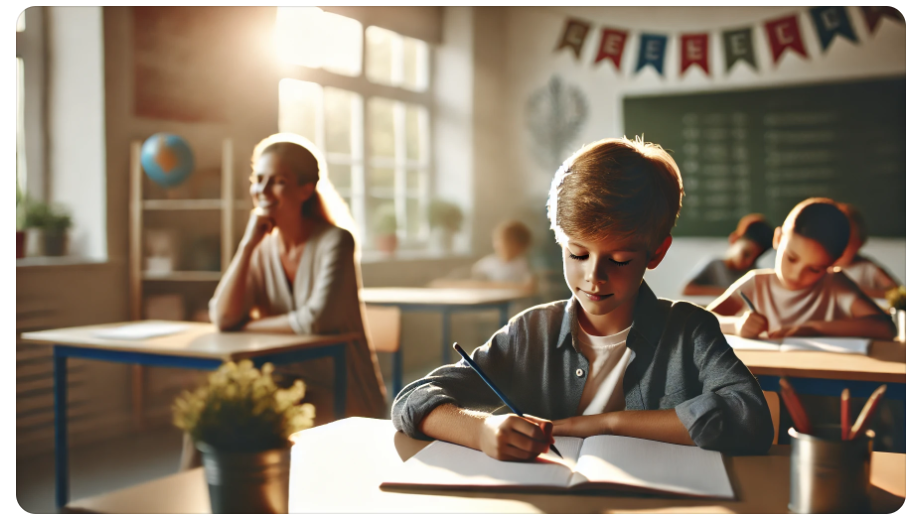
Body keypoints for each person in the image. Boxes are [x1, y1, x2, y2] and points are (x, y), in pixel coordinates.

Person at [392, 137, 773, 461]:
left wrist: (607, 423)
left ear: (655, 253)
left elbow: (751, 417)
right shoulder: (531, 331)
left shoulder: (690, 332)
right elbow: (413, 400)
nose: (594, 276)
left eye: (620, 259)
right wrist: (481, 430)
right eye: (577, 254)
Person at [209, 133, 386, 417]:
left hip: (339, 384)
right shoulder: (261, 247)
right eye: (259, 179)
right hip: (282, 377)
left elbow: (316, 320)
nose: (263, 190)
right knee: (215, 405)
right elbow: (222, 317)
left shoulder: (336, 242)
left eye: (278, 181)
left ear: (306, 190)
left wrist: (248, 327)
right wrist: (247, 245)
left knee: (242, 415)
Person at [707, 198, 895, 340]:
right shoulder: (755, 282)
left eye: (814, 269)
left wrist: (813, 329)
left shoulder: (835, 284)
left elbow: (885, 328)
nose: (796, 275)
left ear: (833, 263)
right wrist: (736, 325)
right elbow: (703, 320)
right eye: (791, 258)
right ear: (778, 239)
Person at [430, 220, 536, 293]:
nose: (499, 244)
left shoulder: (525, 265)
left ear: (520, 245)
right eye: (498, 240)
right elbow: (469, 278)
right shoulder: (488, 263)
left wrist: (488, 287)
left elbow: (529, 287)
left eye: (506, 240)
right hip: (482, 315)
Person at [681, 214, 774, 296]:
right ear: (734, 239)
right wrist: (730, 293)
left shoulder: (754, 274)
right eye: (746, 254)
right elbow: (686, 290)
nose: (748, 262)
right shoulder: (714, 265)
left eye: (755, 259)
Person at [829, 203, 900, 299]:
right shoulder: (822, 269)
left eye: (845, 243)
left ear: (858, 244)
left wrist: (861, 291)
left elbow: (898, 292)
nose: (837, 248)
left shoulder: (867, 267)